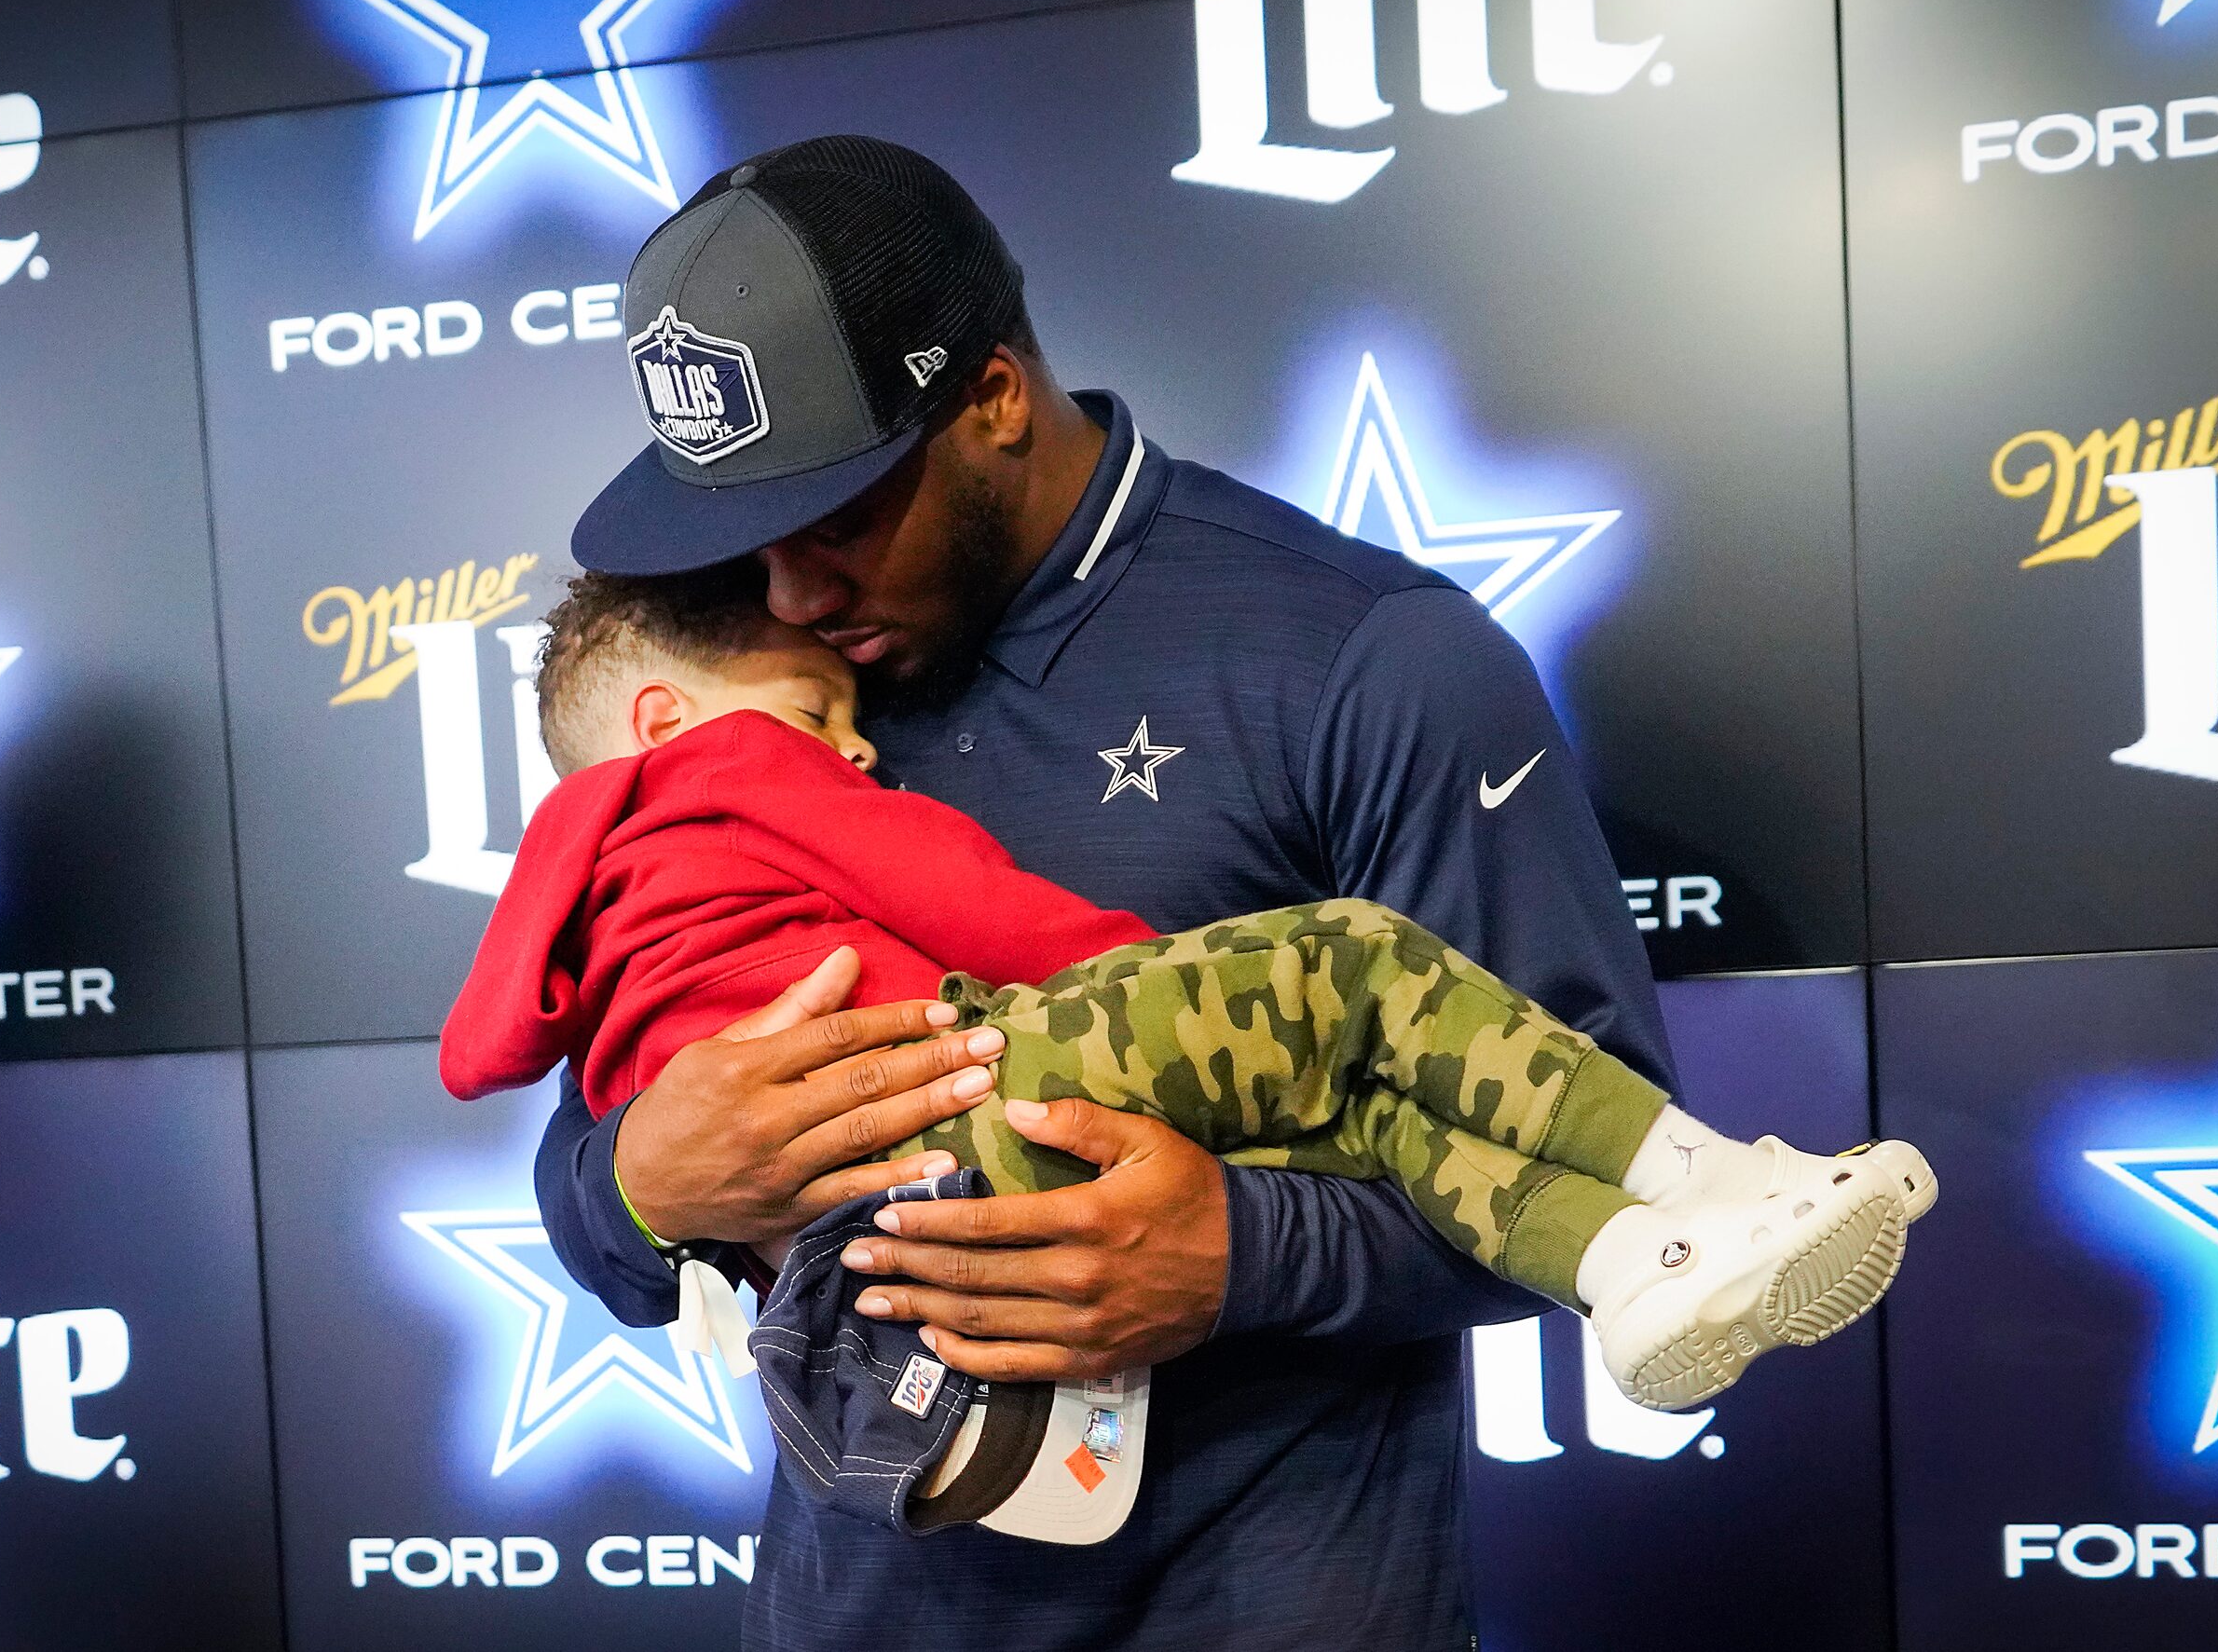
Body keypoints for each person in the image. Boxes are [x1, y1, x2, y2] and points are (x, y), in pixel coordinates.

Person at [522, 132, 1703, 1647]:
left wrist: (1238, 1252)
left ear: (991, 402)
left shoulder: (1366, 655)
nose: (791, 596)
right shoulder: (733, 676)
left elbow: (1589, 1138)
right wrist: (637, 1181)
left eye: (833, 517)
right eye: (744, 538)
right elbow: (595, 1131)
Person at [445, 570, 1935, 1413]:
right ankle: (1716, 1177)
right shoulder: (728, 765)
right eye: (817, 709)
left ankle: (1628, 1264)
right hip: (986, 1074)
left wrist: (644, 1161)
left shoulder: (576, 901)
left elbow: (484, 1059)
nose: (855, 745)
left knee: (1373, 1123)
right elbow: (965, 898)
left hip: (888, 1249)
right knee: (1350, 976)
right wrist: (1152, 975)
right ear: (666, 720)